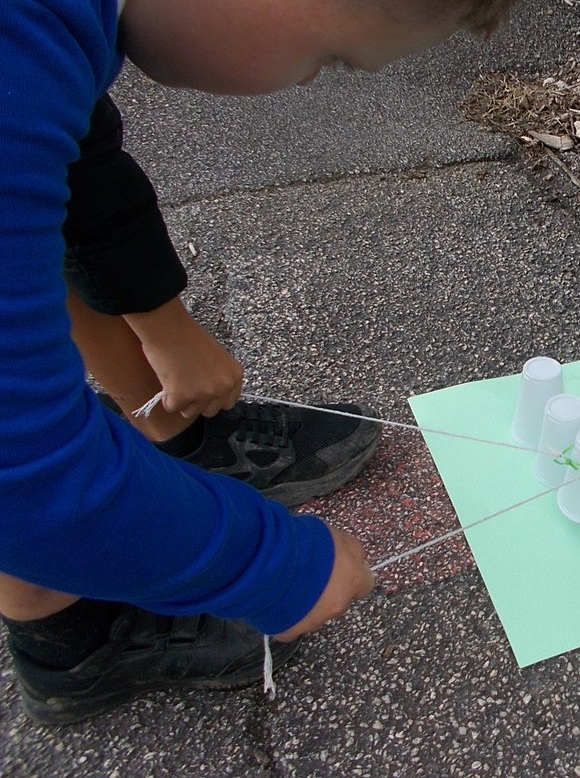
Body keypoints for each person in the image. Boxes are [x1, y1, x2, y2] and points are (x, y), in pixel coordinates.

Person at [0, 0, 551, 724]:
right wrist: (265, 565)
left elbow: (78, 160)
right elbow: (20, 469)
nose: (309, 84)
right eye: (328, 59)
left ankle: (165, 456)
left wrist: (163, 324)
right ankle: (69, 639)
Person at [65, 92, 382, 507]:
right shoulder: (35, 66)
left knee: (32, 227)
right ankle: (185, 442)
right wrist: (167, 334)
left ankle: (127, 417)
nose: (308, 79)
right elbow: (83, 184)